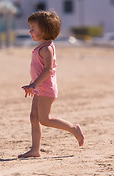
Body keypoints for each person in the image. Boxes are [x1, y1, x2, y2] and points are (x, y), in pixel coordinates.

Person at [18, 10, 84, 158]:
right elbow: (39, 70)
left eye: (33, 28)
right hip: (39, 88)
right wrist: (32, 84)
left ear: (45, 31)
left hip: (46, 90)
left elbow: (48, 70)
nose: (30, 31)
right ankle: (35, 150)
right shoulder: (42, 47)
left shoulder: (46, 49)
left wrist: (34, 85)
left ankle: (73, 129)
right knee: (34, 117)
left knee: (44, 119)